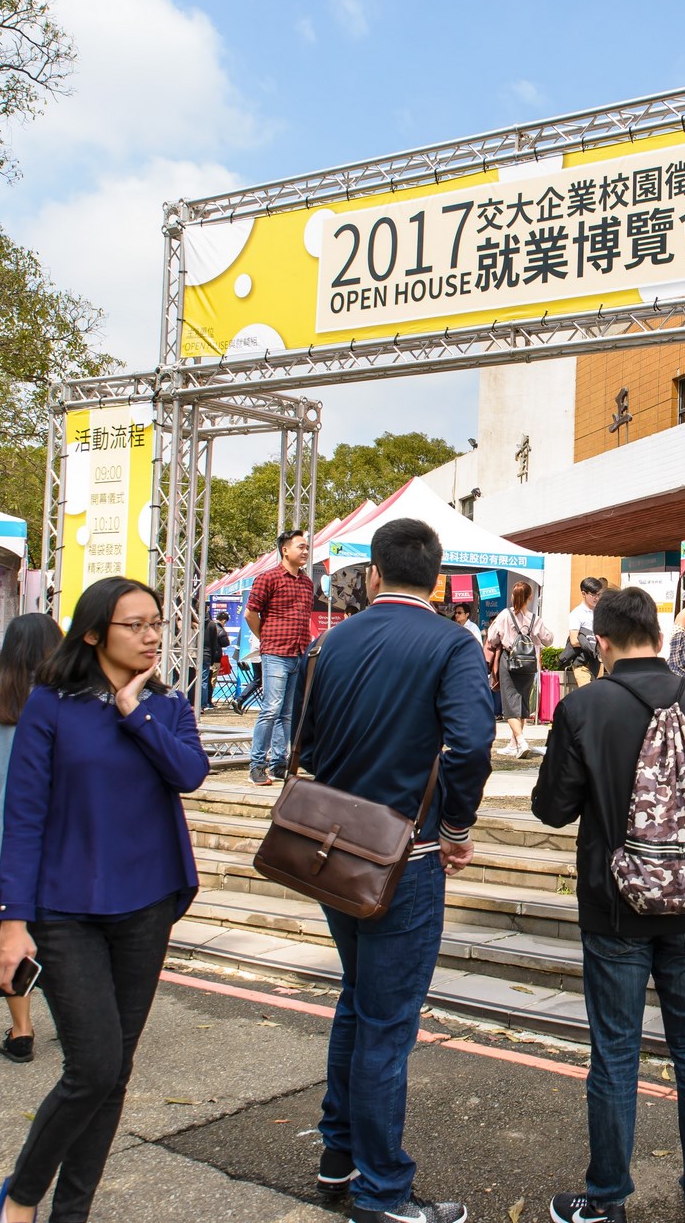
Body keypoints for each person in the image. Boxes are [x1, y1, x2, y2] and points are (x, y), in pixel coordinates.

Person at [0, 576, 210, 1223]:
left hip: (146, 903)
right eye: (133, 625)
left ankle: (71, 1214)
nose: (149, 636)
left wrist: (133, 711)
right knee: (93, 1064)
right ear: (92, 633)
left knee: (115, 1073)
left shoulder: (165, 707)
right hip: (66, 908)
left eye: (155, 623)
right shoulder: (49, 707)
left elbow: (189, 775)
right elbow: (23, 816)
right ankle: (24, 1193)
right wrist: (12, 921)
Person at [297, 517, 492, 1223]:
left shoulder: (330, 642)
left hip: (331, 847)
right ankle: (382, 1192)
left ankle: (339, 1152)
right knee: (386, 1021)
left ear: (374, 574)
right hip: (404, 856)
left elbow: (306, 742)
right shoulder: (450, 643)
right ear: (437, 579)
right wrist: (457, 828)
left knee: (358, 999)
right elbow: (471, 745)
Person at [531, 586, 685, 1223]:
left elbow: (551, 808)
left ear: (601, 643)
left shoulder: (585, 707)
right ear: (657, 635)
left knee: (616, 1053)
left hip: (614, 909)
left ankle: (606, 1203)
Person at [0, 613, 61, 1064]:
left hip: (2, 838)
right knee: (63, 934)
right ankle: (72, 1019)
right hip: (56, 839)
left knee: (8, 930)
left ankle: (22, 1030)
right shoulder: (68, 703)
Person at [245, 527, 316, 786]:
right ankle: (257, 765)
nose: (305, 551)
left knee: (287, 712)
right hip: (275, 651)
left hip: (298, 652)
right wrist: (265, 637)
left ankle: (279, 763)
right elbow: (250, 613)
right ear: (285, 550)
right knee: (271, 709)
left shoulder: (307, 582)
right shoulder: (269, 578)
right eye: (301, 546)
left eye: (307, 547)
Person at [486, 580, 554, 758]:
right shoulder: (535, 619)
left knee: (509, 703)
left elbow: (492, 638)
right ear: (530, 597)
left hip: (510, 661)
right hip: (529, 664)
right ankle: (514, 743)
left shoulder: (505, 615)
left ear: (513, 596)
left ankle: (521, 741)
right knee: (522, 702)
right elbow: (549, 639)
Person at [563, 576, 605, 691]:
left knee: (598, 695)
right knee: (587, 694)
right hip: (582, 662)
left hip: (598, 661)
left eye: (598, 594)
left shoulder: (600, 612)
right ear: (583, 593)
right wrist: (591, 646)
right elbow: (574, 640)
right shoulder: (577, 613)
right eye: (593, 595)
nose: (596, 598)